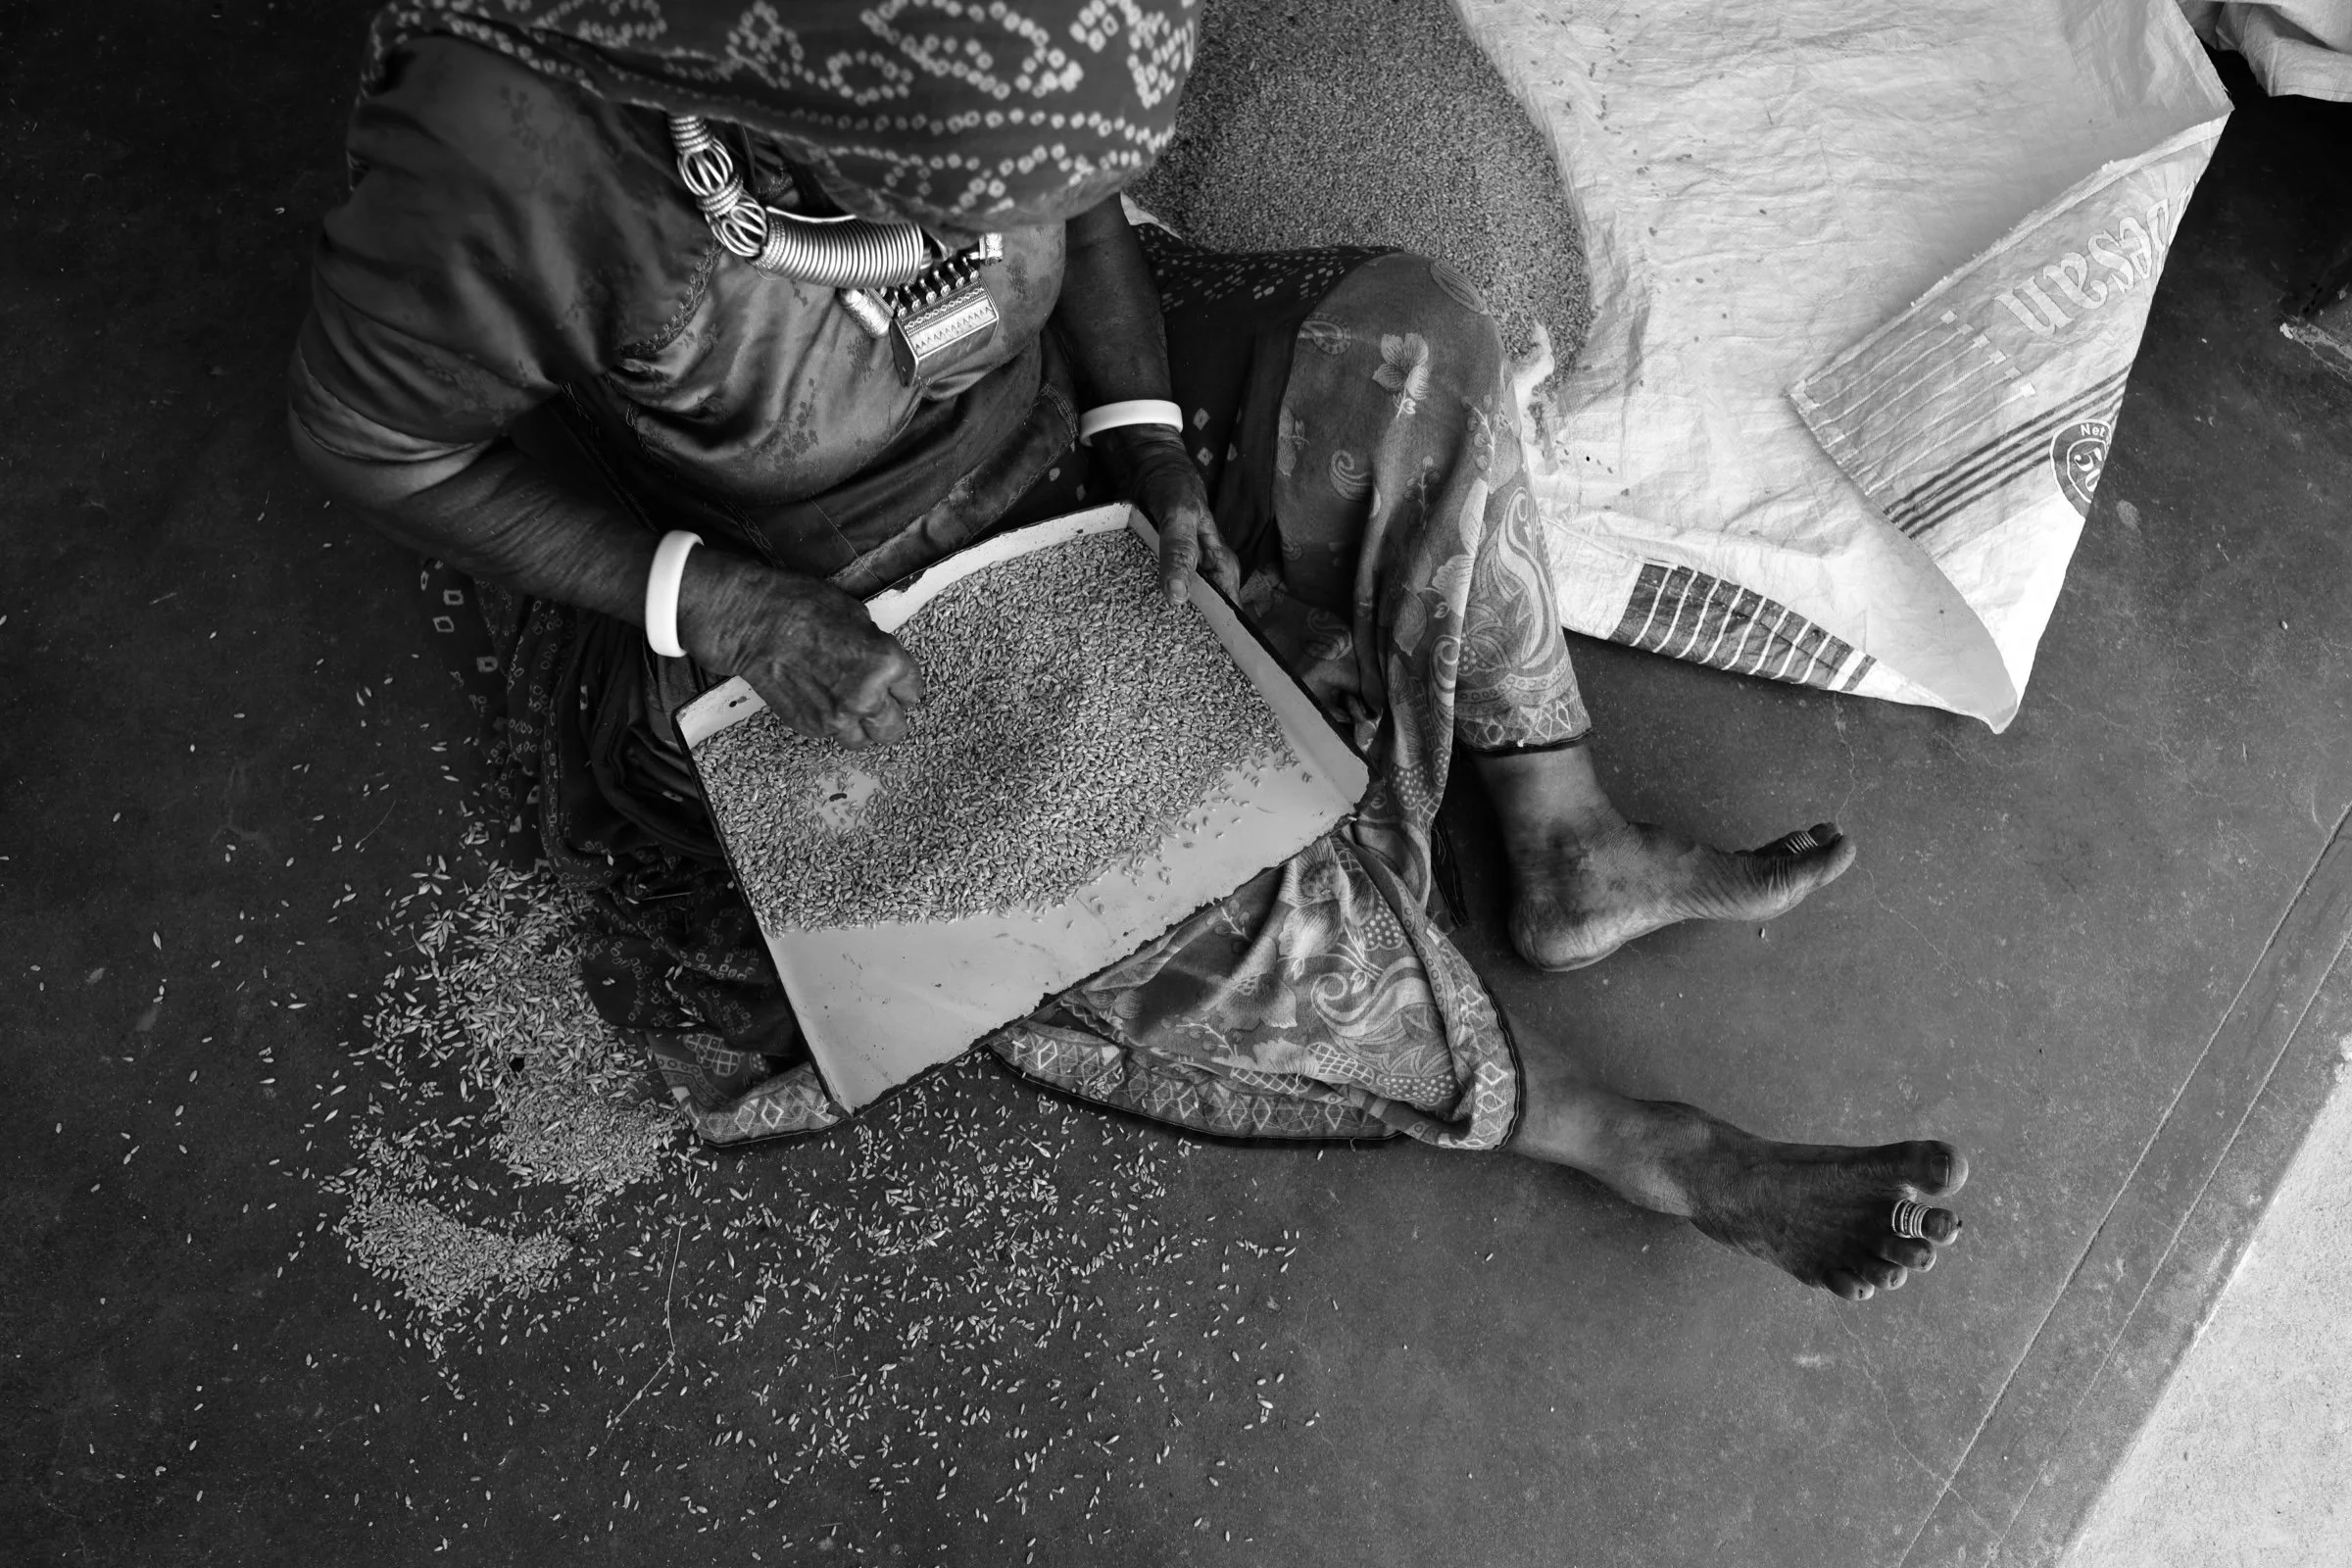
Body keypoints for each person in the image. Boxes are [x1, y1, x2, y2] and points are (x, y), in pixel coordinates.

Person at [289, 1, 1967, 1302]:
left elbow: (1081, 212)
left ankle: (1565, 835)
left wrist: (1144, 431)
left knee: (1410, 344)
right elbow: (374, 445)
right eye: (969, 200)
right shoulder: (502, 146)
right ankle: (1625, 1137)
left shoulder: (1005, 78)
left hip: (1050, 417)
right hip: (809, 571)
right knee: (1134, 864)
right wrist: (722, 606)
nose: (1040, 208)